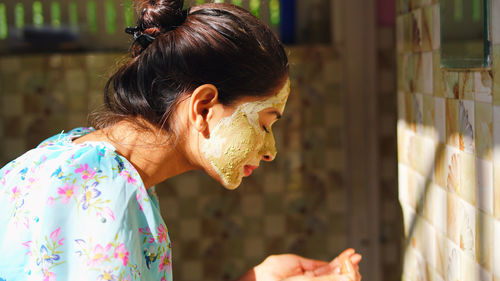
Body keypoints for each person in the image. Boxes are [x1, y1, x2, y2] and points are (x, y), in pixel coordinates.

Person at [0, 0, 362, 280]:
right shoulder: (100, 193)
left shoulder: (84, 160)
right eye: (266, 124)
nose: (271, 152)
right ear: (204, 107)